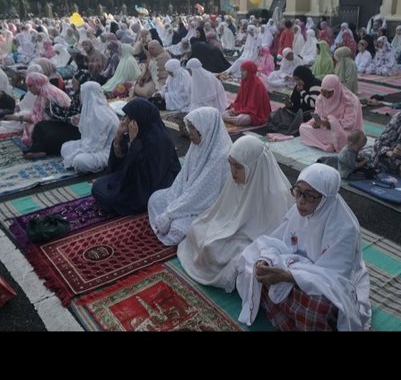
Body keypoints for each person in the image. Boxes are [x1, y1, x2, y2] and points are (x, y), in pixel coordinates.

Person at [236, 163, 372, 331]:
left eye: (309, 196)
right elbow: (278, 242)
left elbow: (335, 279)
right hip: (297, 269)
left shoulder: (344, 228)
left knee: (321, 307)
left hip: (328, 281)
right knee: (253, 266)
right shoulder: (297, 211)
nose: (300, 201)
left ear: (325, 199)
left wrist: (288, 276)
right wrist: (266, 261)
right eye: (298, 191)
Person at [177, 135, 294, 292]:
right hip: (232, 228)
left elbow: (271, 236)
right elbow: (222, 212)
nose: (233, 171)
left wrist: (226, 234)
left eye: (238, 167)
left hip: (251, 239)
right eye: (230, 164)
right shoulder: (239, 179)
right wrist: (221, 229)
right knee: (196, 228)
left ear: (253, 166)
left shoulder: (276, 193)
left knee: (214, 248)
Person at [148, 107, 232, 246]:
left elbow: (201, 193)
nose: (189, 132)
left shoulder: (221, 155)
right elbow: (182, 178)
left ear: (206, 128)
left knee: (178, 229)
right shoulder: (197, 145)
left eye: (193, 128)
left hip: (206, 206)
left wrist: (170, 213)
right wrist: (172, 201)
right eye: (189, 127)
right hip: (187, 198)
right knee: (155, 199)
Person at [92, 99, 181, 215]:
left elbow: (148, 176)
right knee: (98, 185)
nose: (125, 120)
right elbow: (120, 164)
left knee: (111, 198)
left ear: (139, 118)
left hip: (152, 185)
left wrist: (134, 143)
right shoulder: (138, 131)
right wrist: (118, 137)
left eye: (129, 116)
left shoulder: (159, 140)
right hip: (132, 179)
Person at [61, 81, 119, 173]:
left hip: (104, 151)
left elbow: (96, 144)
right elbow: (88, 133)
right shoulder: (93, 109)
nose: (80, 96)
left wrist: (80, 151)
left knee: (79, 162)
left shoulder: (101, 114)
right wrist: (79, 122)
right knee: (65, 147)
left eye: (82, 93)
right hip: (90, 146)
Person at [299, 74, 364, 152]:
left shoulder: (349, 100)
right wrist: (314, 123)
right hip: (327, 131)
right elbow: (318, 115)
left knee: (333, 122)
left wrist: (331, 124)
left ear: (336, 89)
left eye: (329, 92)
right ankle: (325, 146)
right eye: (323, 92)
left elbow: (350, 123)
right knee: (303, 128)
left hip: (345, 133)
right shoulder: (320, 99)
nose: (326, 95)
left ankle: (328, 144)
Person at [222, 61, 271, 127]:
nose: (241, 73)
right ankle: (234, 119)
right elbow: (239, 101)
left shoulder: (258, 85)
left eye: (244, 71)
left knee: (242, 119)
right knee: (224, 114)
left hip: (254, 114)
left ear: (250, 71)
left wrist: (239, 112)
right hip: (242, 110)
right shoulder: (244, 82)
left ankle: (234, 120)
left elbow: (254, 108)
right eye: (241, 70)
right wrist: (234, 109)